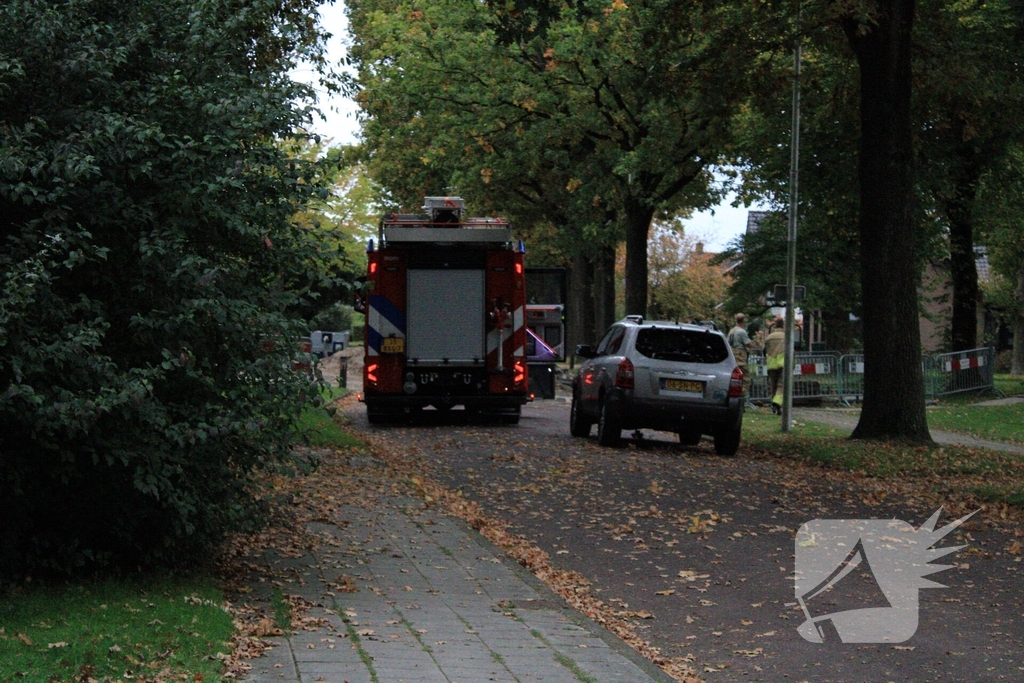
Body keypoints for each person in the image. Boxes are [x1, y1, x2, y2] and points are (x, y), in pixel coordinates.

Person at [727, 313, 756, 409]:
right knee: (746, 379)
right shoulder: (741, 332)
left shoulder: (731, 331)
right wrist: (754, 346)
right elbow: (748, 344)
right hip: (740, 357)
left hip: (733, 357)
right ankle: (743, 401)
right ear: (743, 321)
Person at [764, 317, 786, 414]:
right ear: (783, 325)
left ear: (775, 325)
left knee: (773, 385)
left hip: (771, 363)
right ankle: (777, 403)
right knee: (781, 385)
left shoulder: (769, 337)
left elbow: (764, 351)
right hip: (783, 363)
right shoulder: (786, 336)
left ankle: (773, 405)